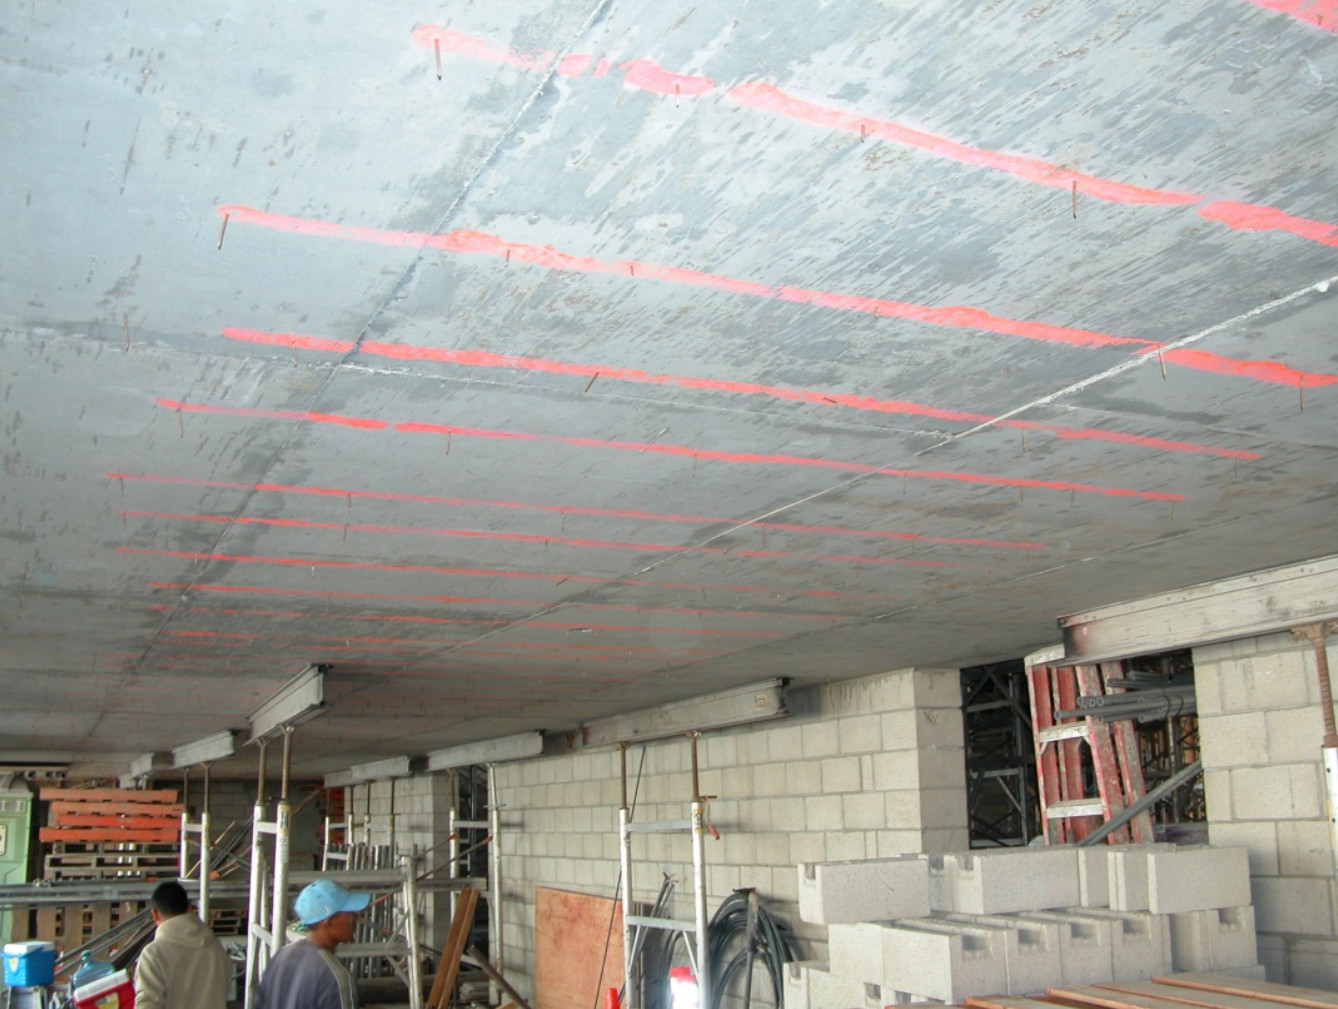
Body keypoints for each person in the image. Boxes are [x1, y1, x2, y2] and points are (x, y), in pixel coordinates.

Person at [255, 878, 371, 1009]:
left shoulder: (281, 957)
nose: (355, 917)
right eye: (349, 913)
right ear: (329, 922)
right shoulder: (335, 977)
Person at [134, 879, 232, 1009]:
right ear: (189, 909)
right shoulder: (215, 947)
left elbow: (147, 1004)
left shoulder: (154, 954)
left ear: (155, 914)